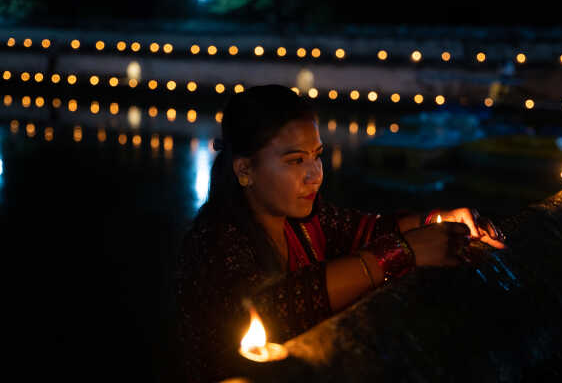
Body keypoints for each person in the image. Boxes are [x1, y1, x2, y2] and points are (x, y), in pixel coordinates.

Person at [174, 85, 505, 382]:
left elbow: (372, 230)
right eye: (295, 161)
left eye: (317, 156)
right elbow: (274, 307)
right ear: (245, 169)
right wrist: (405, 251)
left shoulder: (304, 221)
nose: (314, 175)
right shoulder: (214, 241)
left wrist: (439, 219)